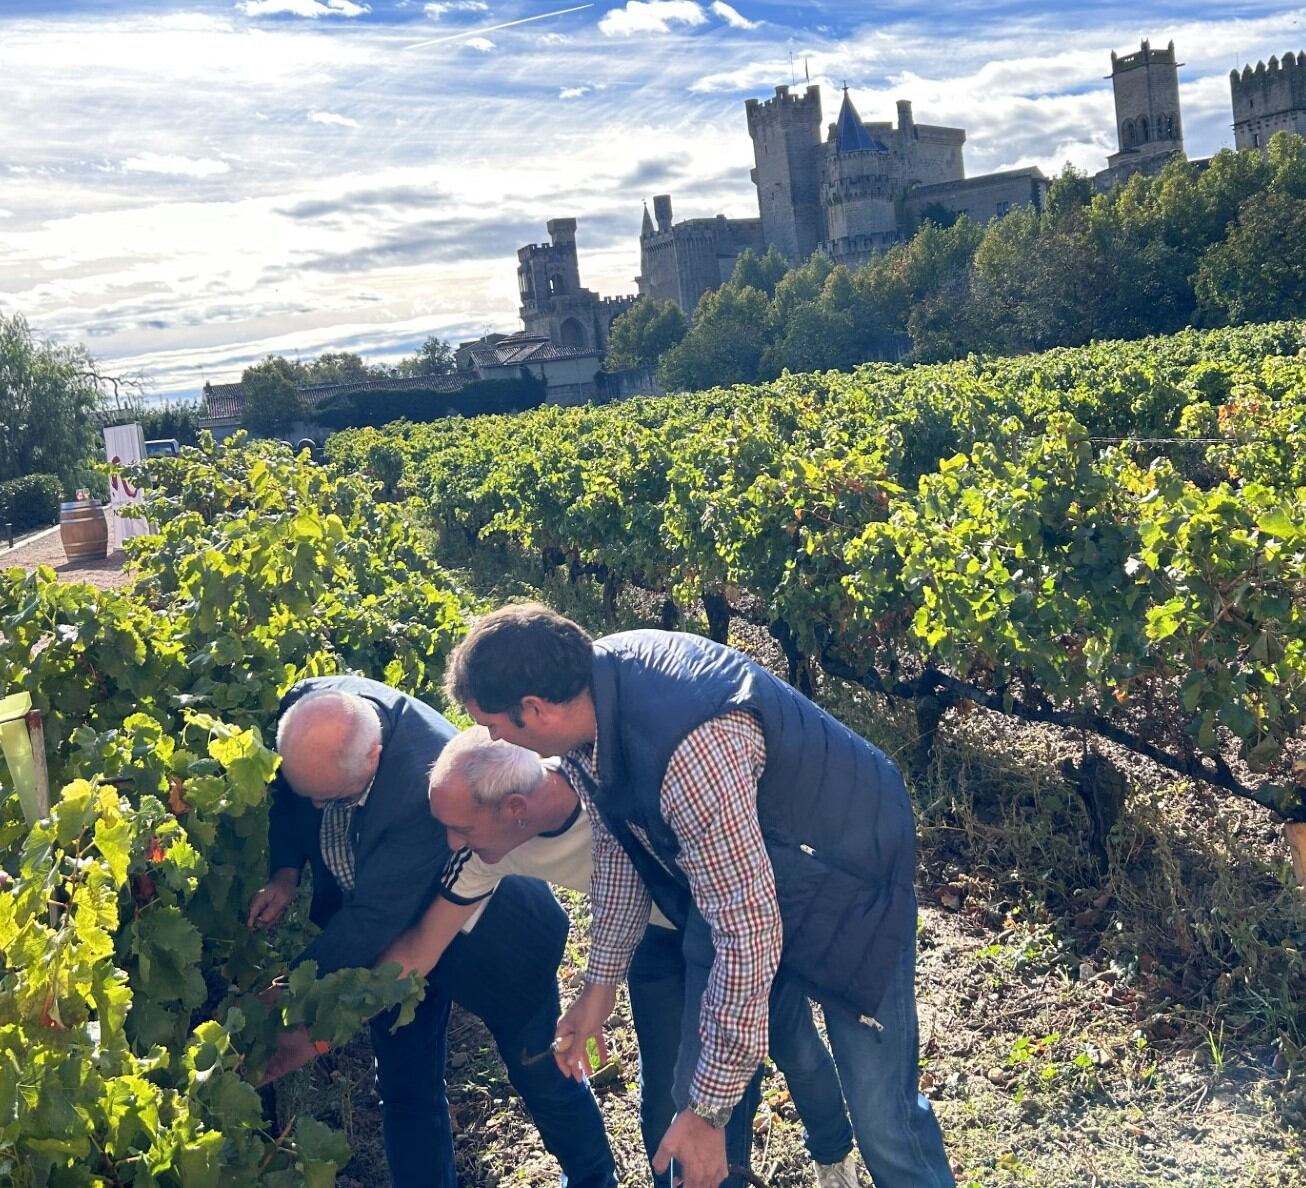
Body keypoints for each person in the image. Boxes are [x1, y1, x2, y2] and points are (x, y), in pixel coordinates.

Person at [443, 604, 956, 1188]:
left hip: (850, 873)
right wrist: (599, 985)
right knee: (727, 1051)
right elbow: (620, 851)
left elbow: (746, 929)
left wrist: (709, 1112)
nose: (493, 739)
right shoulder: (591, 704)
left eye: (494, 724)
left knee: (882, 1114)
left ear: (534, 709)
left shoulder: (688, 747)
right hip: (769, 865)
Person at [378, 726, 859, 1188]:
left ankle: (833, 1149)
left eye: (460, 827)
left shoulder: (615, 783)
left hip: (739, 933)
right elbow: (420, 949)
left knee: (794, 1049)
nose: (451, 843)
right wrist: (323, 1023)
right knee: (668, 1101)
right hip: (656, 941)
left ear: (516, 808)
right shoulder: (485, 853)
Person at [246, 674, 617, 1188]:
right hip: (393, 947)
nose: (315, 808)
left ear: (372, 757)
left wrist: (292, 1002)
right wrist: (285, 869)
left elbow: (374, 919)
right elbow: (293, 793)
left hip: (491, 941)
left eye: (329, 797)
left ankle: (595, 1178)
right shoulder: (312, 715)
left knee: (539, 1069)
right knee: (404, 1087)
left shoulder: (424, 785)